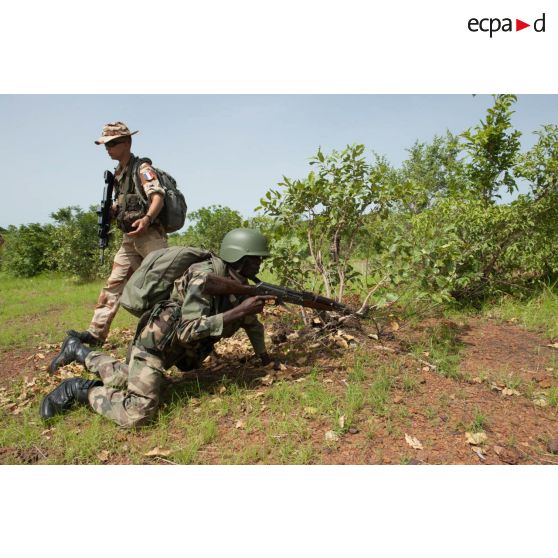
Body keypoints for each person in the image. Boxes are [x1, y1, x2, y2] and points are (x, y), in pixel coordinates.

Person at [41, 229, 274, 428]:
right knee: (138, 412)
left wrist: (265, 358)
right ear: (240, 258)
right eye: (256, 259)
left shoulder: (238, 284)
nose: (260, 264)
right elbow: (186, 330)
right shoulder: (203, 277)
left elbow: (251, 324)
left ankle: (79, 351)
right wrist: (240, 310)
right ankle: (77, 389)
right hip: (154, 347)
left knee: (124, 376)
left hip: (173, 350)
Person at [68, 121, 168, 347]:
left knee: (164, 285)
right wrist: (113, 211)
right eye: (106, 143)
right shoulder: (118, 174)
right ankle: (95, 334)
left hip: (150, 236)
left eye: (113, 143)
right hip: (129, 239)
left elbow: (157, 196)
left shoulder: (142, 169)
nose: (108, 148)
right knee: (114, 284)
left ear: (128, 143)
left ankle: (176, 331)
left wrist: (147, 218)